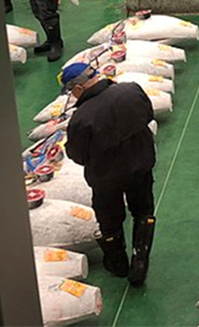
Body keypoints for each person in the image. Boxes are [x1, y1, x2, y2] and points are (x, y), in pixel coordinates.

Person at [61, 63, 156, 285]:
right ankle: (140, 261)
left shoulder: (81, 118)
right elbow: (148, 115)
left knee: (109, 221)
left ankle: (118, 264)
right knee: (143, 211)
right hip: (141, 165)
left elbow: (77, 155)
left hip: (105, 178)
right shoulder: (132, 90)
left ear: (77, 89)